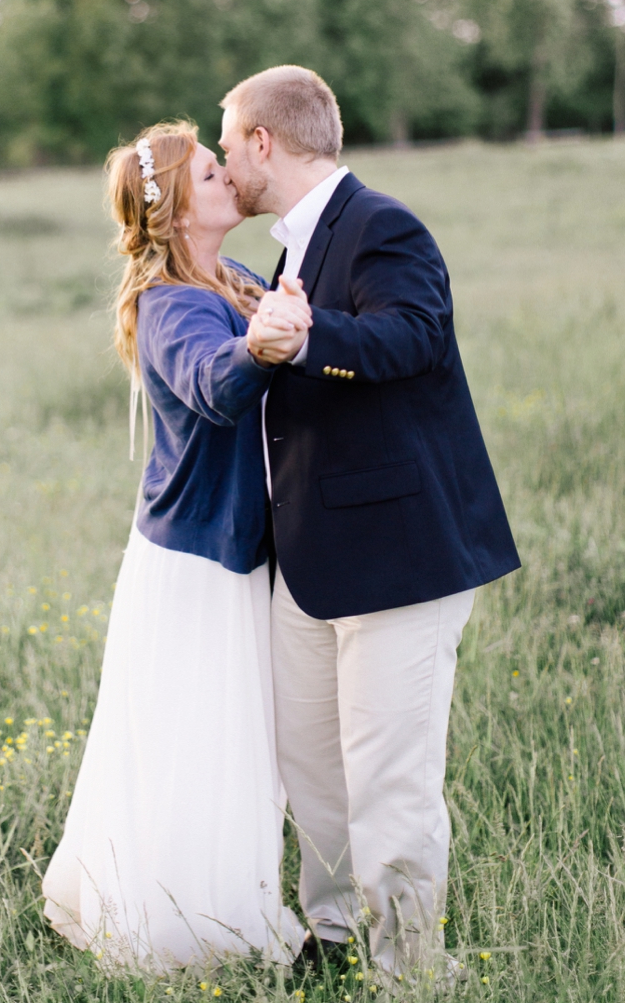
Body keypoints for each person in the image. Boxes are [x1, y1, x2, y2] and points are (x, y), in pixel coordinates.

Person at [220, 65, 519, 983]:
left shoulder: (381, 223)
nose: (223, 163)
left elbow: (416, 336)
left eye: (227, 144)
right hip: (312, 557)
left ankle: (411, 969)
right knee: (313, 772)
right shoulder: (291, 246)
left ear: (264, 141)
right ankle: (337, 935)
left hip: (399, 558)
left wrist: (309, 340)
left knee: (390, 778)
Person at [41, 120, 311, 971]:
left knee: (230, 739)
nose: (227, 172)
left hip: (224, 549)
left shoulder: (227, 276)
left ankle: (225, 903)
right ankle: (186, 930)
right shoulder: (170, 302)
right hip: (195, 561)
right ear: (177, 207)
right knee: (201, 742)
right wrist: (260, 349)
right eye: (208, 169)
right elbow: (214, 383)